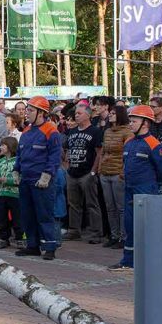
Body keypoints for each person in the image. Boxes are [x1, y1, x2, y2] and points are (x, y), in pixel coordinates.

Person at [109, 105, 162, 272]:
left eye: (134, 121)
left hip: (146, 190)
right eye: (131, 121)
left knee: (146, 227)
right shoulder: (129, 142)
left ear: (145, 123)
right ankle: (128, 261)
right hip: (129, 189)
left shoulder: (153, 143)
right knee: (130, 225)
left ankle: (150, 260)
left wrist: (154, 187)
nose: (131, 124)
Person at [14, 96, 62, 260]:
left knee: (44, 214)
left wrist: (47, 175)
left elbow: (55, 156)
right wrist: (16, 170)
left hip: (41, 180)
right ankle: (32, 245)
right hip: (26, 179)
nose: (27, 113)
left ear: (41, 113)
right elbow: (20, 153)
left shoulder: (51, 131)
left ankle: (50, 246)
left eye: (31, 110)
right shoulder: (27, 131)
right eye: (27, 109)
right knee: (27, 214)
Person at [63, 104, 104, 244]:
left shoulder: (95, 131)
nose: (76, 115)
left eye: (79, 113)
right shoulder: (72, 131)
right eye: (76, 113)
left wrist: (93, 171)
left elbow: (99, 152)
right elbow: (67, 150)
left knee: (91, 204)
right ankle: (74, 230)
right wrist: (67, 168)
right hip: (72, 172)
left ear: (88, 115)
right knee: (73, 204)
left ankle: (96, 233)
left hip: (87, 172)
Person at [98, 105, 130, 249]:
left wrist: (123, 171)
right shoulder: (108, 131)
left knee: (121, 207)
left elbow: (127, 155)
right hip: (105, 172)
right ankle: (114, 235)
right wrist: (100, 168)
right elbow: (103, 151)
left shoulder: (127, 132)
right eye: (110, 113)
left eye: (113, 113)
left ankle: (124, 237)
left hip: (118, 173)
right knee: (110, 207)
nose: (110, 115)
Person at [0, 137, 20, 249]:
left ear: (10, 146)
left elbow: (19, 178)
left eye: (3, 145)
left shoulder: (17, 160)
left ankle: (20, 238)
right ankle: (3, 238)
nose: (0, 147)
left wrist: (7, 180)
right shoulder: (1, 161)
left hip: (15, 194)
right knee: (1, 218)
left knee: (17, 217)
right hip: (1, 193)